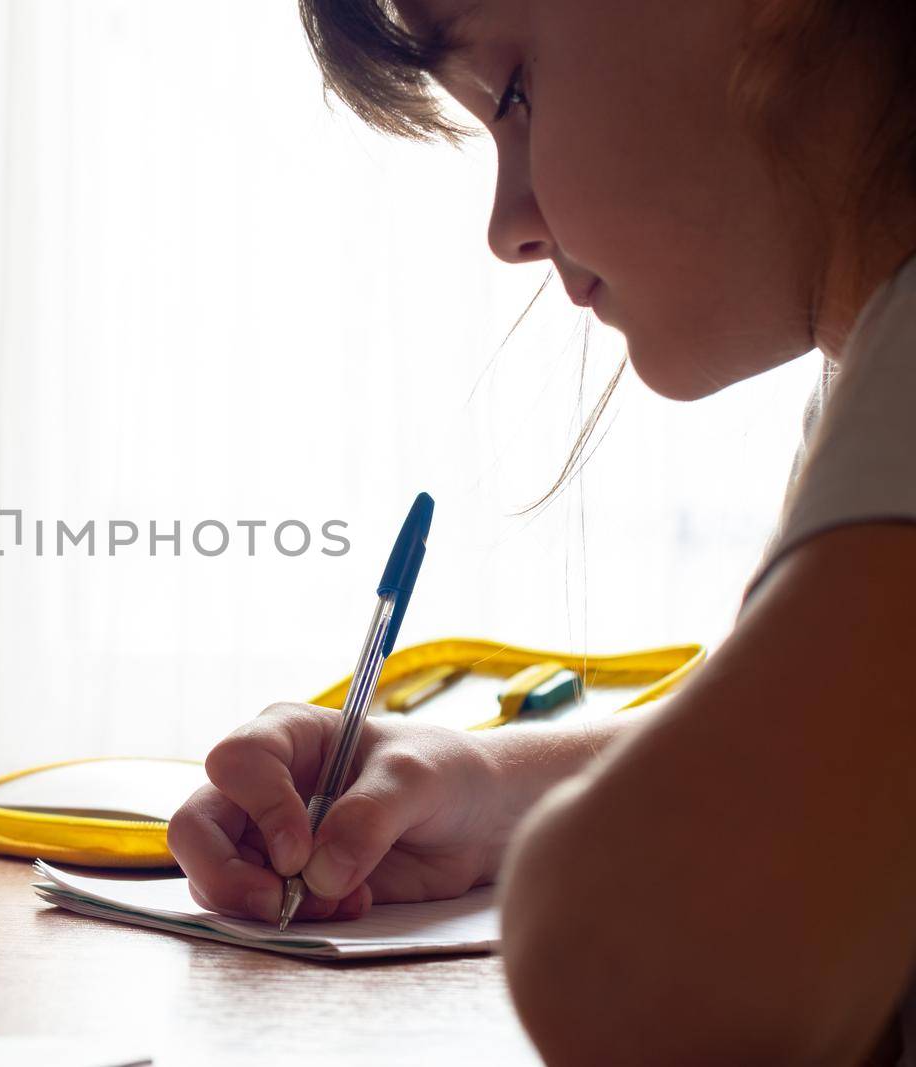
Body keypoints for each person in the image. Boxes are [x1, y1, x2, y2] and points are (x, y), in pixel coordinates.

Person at [166, 1, 916, 1062]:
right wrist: (494, 790)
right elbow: (854, 795)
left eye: (512, 94)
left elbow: (639, 958)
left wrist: (576, 857)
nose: (505, 226)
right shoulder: (865, 371)